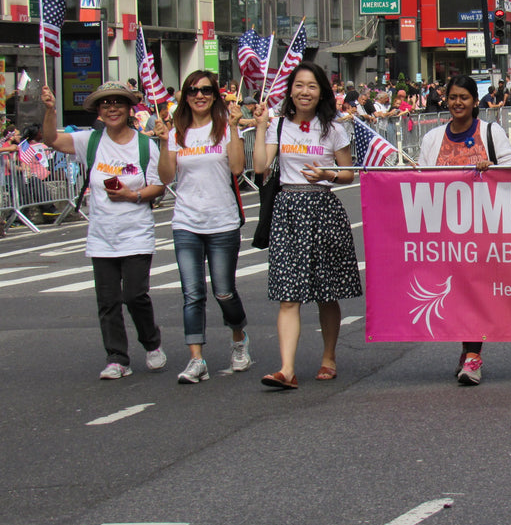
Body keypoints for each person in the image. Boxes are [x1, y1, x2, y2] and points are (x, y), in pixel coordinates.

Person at [40, 82, 167, 380]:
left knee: (135, 295)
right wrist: (49, 110)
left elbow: (159, 186)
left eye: (118, 103)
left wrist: (131, 195)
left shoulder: (143, 145)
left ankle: (151, 342)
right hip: (102, 237)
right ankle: (117, 358)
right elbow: (51, 140)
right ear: (99, 110)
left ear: (129, 109)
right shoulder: (90, 141)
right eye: (106, 103)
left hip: (136, 234)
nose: (112, 108)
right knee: (108, 301)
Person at [252, 63, 362, 389]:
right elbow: (261, 166)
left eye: (312, 86)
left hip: (323, 208)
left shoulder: (333, 128)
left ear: (321, 92)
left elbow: (348, 172)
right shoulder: (280, 126)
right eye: (299, 85)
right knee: (289, 295)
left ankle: (328, 356)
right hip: (287, 210)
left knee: (326, 292)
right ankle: (286, 368)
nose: (304, 92)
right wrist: (260, 127)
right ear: (290, 90)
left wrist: (327, 174)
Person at [153, 70, 251, 385]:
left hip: (222, 221)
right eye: (193, 90)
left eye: (206, 90)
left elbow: (237, 168)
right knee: (192, 294)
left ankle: (239, 338)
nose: (199, 95)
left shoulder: (223, 129)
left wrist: (235, 129)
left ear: (215, 96)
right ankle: (196, 359)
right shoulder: (177, 133)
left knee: (223, 292)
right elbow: (166, 177)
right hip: (186, 222)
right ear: (185, 95)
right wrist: (162, 141)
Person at [418, 75, 511, 384]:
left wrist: (493, 169)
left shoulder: (491, 132)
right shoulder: (433, 138)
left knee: (475, 290)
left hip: (485, 229)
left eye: (464, 97)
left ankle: (474, 356)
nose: (458, 102)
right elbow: (420, 179)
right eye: (453, 97)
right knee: (457, 292)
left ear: (475, 101)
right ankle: (467, 348)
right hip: (446, 230)